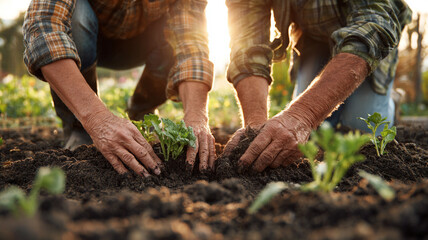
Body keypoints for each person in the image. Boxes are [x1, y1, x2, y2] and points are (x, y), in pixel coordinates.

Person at [23, 0, 216, 176]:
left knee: (176, 33)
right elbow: (43, 27)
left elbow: (191, 44)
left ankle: (142, 113)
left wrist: (197, 116)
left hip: (139, 42)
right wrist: (97, 119)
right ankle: (78, 128)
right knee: (77, 18)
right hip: (84, 37)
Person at [224, 0, 412, 172]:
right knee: (312, 138)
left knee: (361, 130)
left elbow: (374, 28)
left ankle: (390, 102)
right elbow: (247, 46)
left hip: (367, 36)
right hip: (314, 38)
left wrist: (303, 115)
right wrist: (255, 128)